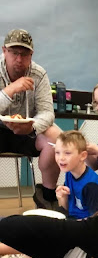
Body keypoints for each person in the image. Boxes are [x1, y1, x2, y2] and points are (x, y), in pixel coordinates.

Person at [0, 28, 61, 209]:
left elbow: (47, 113)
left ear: (31, 55)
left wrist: (32, 127)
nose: (19, 59)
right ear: (4, 51)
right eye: (14, 52)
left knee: (56, 137)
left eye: (24, 54)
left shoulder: (39, 74)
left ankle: (48, 198)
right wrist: (10, 90)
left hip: (27, 131)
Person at [55, 130, 98, 218]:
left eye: (67, 153)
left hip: (86, 225)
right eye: (57, 152)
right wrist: (62, 198)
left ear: (83, 156)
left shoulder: (92, 186)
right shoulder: (69, 173)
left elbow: (96, 222)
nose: (61, 158)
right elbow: (67, 211)